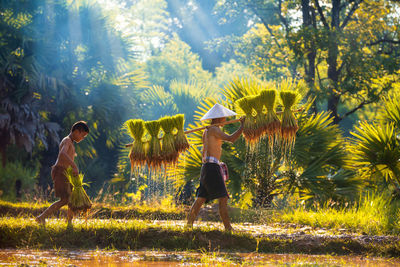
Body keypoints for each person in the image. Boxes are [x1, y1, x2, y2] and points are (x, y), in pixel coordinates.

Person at [187, 103, 244, 231]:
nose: (225, 120)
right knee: (223, 197)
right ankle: (228, 228)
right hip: (211, 167)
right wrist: (242, 126)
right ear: (218, 118)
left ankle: (188, 225)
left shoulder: (207, 131)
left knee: (200, 198)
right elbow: (231, 139)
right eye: (223, 117)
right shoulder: (215, 130)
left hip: (206, 167)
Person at [36, 121, 89, 225]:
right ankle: (41, 217)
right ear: (77, 131)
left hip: (66, 173)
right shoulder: (67, 140)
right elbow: (62, 154)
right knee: (65, 199)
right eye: (82, 136)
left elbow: (66, 156)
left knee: (71, 198)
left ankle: (69, 221)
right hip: (60, 171)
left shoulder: (71, 142)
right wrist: (74, 166)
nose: (82, 138)